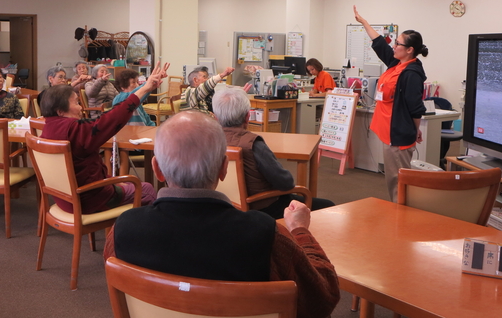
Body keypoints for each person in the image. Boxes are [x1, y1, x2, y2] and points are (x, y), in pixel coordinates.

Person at [106, 111, 340, 318]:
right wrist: (300, 231)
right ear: (223, 168)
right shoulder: (265, 234)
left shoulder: (123, 229)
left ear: (156, 169)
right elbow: (323, 299)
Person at [40, 62, 169, 214]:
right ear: (60, 111)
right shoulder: (74, 130)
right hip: (89, 198)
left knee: (125, 183)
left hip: (63, 198)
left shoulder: (45, 129)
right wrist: (146, 88)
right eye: (76, 103)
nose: (81, 107)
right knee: (145, 188)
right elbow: (111, 119)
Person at [213, 87, 334, 219]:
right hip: (263, 208)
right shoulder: (254, 144)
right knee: (328, 205)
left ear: (216, 117)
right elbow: (285, 183)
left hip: (225, 207)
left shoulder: (209, 142)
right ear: (248, 116)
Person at [354, 5, 428, 202]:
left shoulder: (411, 74)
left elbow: (415, 107)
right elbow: (379, 44)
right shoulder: (397, 64)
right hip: (390, 131)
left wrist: (415, 130)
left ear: (410, 50)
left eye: (398, 44)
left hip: (398, 134)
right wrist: (364, 22)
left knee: (397, 179)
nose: (394, 47)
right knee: (393, 177)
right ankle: (400, 211)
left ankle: (400, 215)